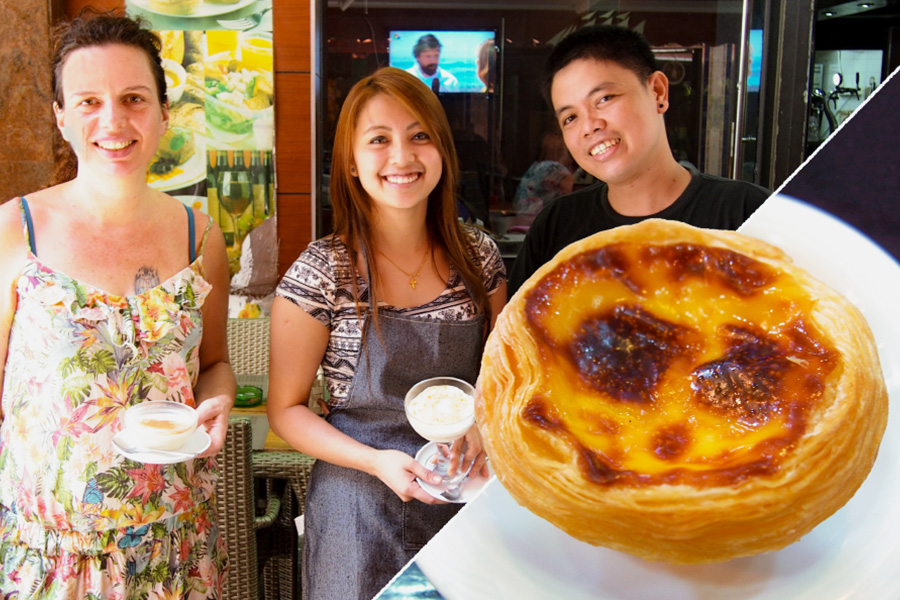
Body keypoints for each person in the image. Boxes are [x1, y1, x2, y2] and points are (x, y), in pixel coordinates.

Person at [0, 12, 234, 598]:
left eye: (133, 98)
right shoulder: (14, 231)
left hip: (175, 545)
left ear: (162, 112)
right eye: (87, 102)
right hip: (52, 554)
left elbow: (214, 364)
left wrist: (219, 403)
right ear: (60, 116)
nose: (113, 121)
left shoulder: (200, 238)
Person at [267, 66, 507, 600]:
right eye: (379, 140)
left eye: (419, 136)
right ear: (351, 163)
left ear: (442, 151)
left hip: (466, 494)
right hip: (358, 503)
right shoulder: (322, 271)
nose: (402, 157)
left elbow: (505, 377)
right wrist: (374, 461)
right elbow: (285, 410)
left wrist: (485, 424)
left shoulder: (479, 257)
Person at [507, 25, 770, 295]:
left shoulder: (748, 214)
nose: (590, 126)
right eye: (570, 118)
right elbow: (517, 334)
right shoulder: (557, 226)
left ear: (658, 92)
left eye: (604, 98)